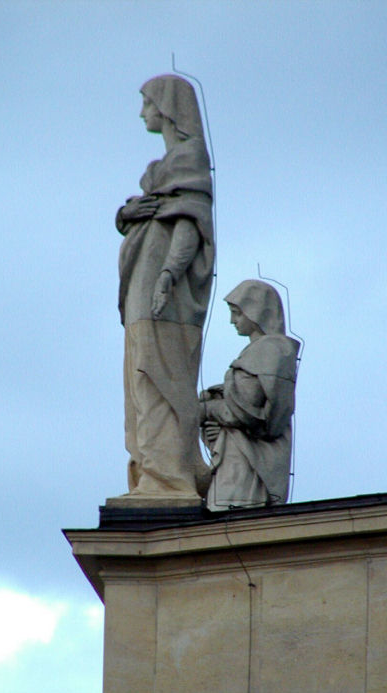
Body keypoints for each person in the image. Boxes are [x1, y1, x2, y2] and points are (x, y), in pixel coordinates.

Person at [115, 75, 214, 501]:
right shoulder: (161, 169)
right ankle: (148, 471)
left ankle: (167, 478)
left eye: (148, 103)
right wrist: (127, 213)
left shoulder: (189, 158)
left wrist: (168, 276)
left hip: (164, 292)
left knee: (160, 377)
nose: (142, 113)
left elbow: (190, 224)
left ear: (168, 107)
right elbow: (138, 214)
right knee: (140, 377)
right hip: (142, 284)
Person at [200, 280, 299, 511]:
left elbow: (249, 413)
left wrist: (206, 409)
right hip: (235, 456)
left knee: (233, 520)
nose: (232, 320)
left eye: (237, 313)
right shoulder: (256, 351)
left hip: (250, 466)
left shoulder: (272, 350)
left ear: (256, 311)